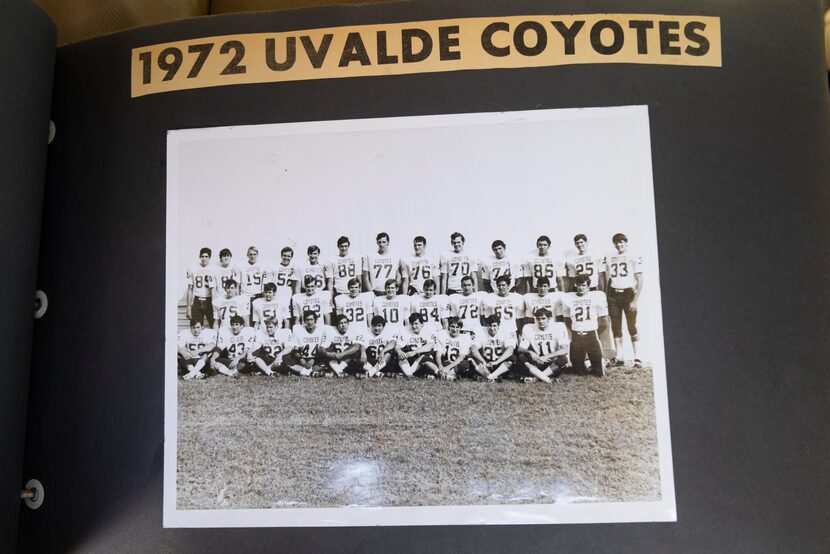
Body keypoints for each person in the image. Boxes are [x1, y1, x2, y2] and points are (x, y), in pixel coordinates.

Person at [600, 233, 644, 367]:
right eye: (617, 242)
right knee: (616, 326)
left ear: (626, 242)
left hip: (628, 293)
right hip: (614, 294)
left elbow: (640, 280)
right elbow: (604, 276)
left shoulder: (633, 255)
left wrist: (635, 300)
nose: (619, 245)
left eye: (622, 242)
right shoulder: (608, 256)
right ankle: (619, 356)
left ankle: (637, 356)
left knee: (631, 325)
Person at [562, 273, 610, 376]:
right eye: (578, 285)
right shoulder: (568, 298)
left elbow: (605, 321)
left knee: (598, 373)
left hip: (591, 334)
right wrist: (576, 329)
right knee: (578, 372)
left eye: (583, 285)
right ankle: (587, 363)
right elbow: (567, 319)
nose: (580, 288)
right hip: (576, 335)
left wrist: (594, 331)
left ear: (588, 285)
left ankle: (598, 362)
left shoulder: (596, 296)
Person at [516, 308, 570, 383]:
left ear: (549, 319)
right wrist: (530, 352)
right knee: (521, 356)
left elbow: (565, 349)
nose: (540, 321)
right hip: (538, 362)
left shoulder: (558, 327)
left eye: (543, 318)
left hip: (552, 363)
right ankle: (545, 378)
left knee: (563, 359)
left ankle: (536, 378)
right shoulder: (528, 328)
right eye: (538, 319)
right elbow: (520, 348)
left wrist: (547, 356)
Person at [470, 315, 517, 381]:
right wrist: (483, 361)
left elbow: (510, 350)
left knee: (512, 358)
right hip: (486, 363)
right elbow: (473, 349)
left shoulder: (504, 331)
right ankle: (494, 377)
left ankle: (490, 376)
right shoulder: (481, 331)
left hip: (499, 364)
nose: (492, 328)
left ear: (499, 325)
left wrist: (497, 362)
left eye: (494, 326)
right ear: (486, 325)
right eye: (490, 325)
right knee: (472, 357)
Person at [395, 313, 440, 378]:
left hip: (424, 359)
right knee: (400, 356)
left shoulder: (428, 329)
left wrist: (414, 352)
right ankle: (410, 374)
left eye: (416, 323)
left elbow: (430, 346)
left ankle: (408, 374)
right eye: (412, 323)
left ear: (422, 324)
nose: (413, 326)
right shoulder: (406, 330)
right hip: (412, 360)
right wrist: (399, 352)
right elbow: (397, 345)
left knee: (425, 357)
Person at [290, 310, 330, 376]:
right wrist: (301, 360)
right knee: (288, 361)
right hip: (303, 358)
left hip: (316, 358)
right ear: (304, 321)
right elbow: (295, 350)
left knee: (325, 360)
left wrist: (313, 359)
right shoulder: (298, 330)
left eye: (311, 319)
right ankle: (312, 373)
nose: (309, 322)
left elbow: (323, 350)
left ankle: (301, 371)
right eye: (307, 320)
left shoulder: (321, 330)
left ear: (315, 320)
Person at [447, 275, 486, 339]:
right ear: (461, 286)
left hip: (476, 329)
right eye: (464, 285)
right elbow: (454, 317)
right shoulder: (455, 298)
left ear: (473, 285)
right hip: (462, 329)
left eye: (469, 285)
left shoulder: (480, 296)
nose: (467, 288)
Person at [186, 247, 215, 327]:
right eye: (202, 256)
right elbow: (190, 288)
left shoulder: (213, 269)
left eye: (206, 257)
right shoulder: (192, 268)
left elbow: (215, 289)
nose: (204, 259)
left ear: (209, 257)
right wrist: (188, 307)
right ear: (199, 257)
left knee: (214, 325)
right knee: (195, 326)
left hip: (209, 300)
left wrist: (214, 304)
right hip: (197, 300)